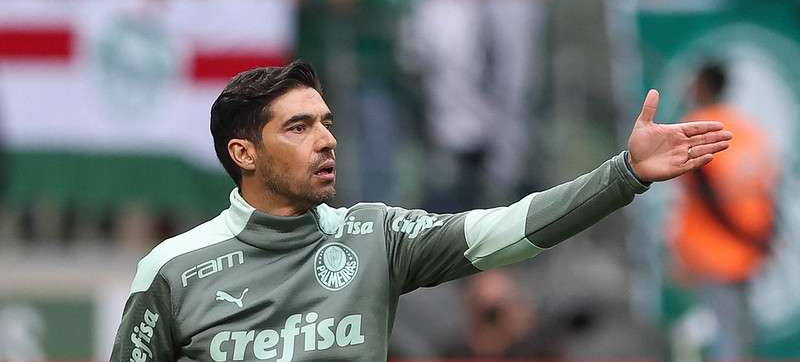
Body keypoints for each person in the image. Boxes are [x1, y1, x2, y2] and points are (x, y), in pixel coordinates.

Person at [109, 61, 732, 361]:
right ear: (243, 152)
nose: (327, 140)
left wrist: (621, 176)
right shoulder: (171, 270)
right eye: (298, 128)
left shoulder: (375, 236)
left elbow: (508, 230)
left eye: (327, 122)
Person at [669, 63, 777, 360]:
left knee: (727, 336)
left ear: (702, 85)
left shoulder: (694, 129)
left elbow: (707, 196)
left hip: (712, 251)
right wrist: (761, 239)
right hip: (747, 251)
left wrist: (746, 236)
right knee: (737, 331)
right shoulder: (748, 130)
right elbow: (769, 190)